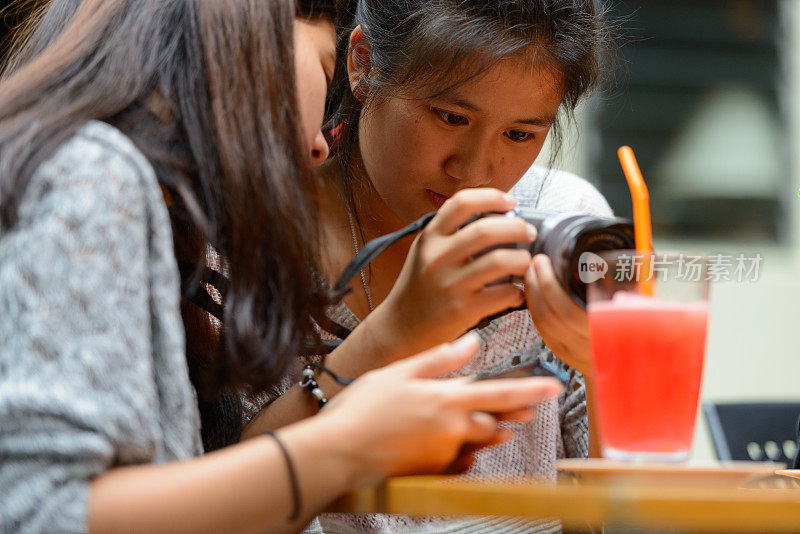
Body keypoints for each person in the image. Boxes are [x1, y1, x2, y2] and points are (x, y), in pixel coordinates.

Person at [0, 1, 565, 532]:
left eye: (521, 133)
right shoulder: (94, 173)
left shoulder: (139, 203)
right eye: (324, 63)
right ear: (245, 37)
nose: (321, 144)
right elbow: (40, 510)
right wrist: (345, 446)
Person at [242, 0, 612, 531]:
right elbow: (209, 503)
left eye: (520, 134)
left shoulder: (564, 232)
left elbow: (630, 510)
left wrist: (607, 369)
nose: (476, 170)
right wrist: (393, 334)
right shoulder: (245, 243)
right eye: (451, 117)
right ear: (362, 64)